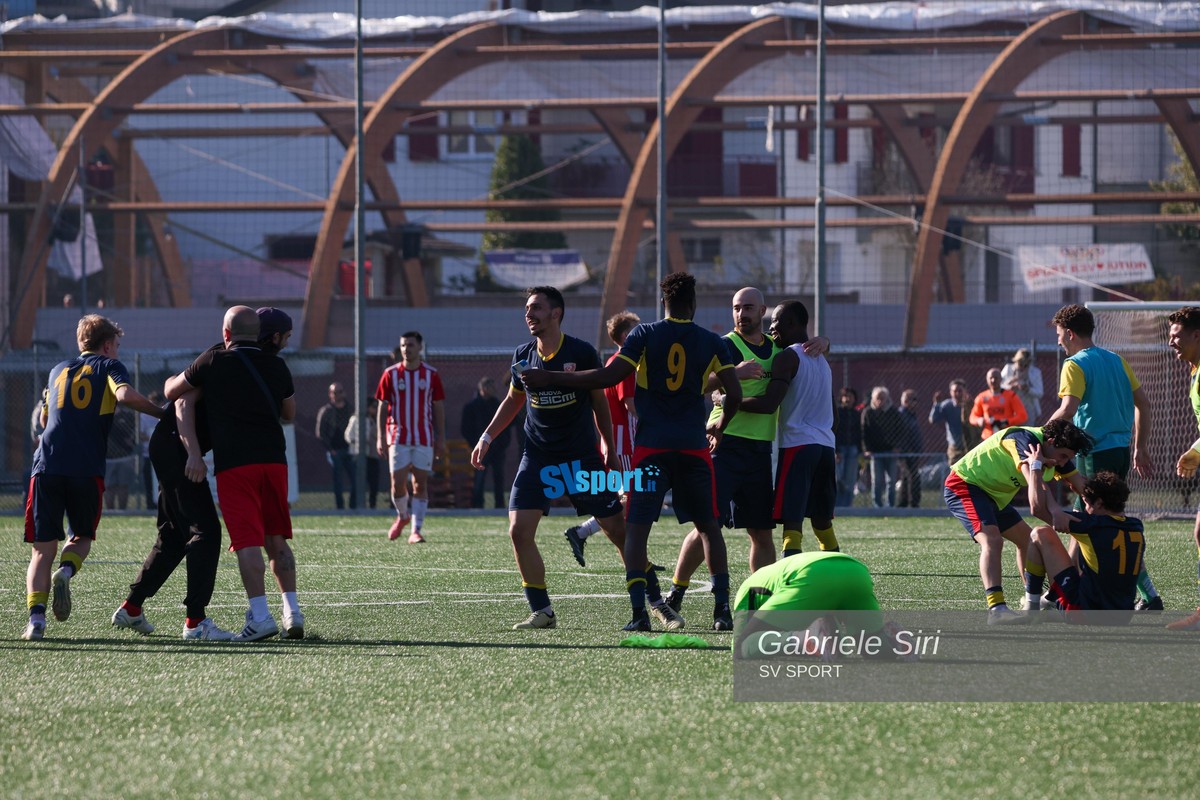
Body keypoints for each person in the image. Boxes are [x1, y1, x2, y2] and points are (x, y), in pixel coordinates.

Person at [521, 273, 742, 631]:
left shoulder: (644, 334)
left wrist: (552, 377)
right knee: (708, 527)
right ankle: (722, 613)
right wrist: (720, 425)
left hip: (652, 448)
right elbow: (735, 393)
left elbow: (607, 378)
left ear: (663, 302)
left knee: (637, 530)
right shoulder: (712, 341)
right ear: (694, 303)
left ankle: (640, 614)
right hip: (692, 447)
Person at [471, 286, 664, 631]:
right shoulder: (523, 355)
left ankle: (656, 601)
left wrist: (608, 447)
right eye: (527, 308)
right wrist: (487, 436)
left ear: (556, 313)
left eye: (536, 308)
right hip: (538, 456)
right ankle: (542, 611)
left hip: (580, 458)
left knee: (618, 531)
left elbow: (599, 403)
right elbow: (514, 400)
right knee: (518, 531)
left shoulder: (582, 352)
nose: (529, 314)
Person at [165, 305, 304, 642]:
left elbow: (172, 392)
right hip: (274, 460)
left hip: (235, 464)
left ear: (226, 333)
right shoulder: (277, 365)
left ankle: (261, 616)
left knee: (247, 541)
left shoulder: (214, 360)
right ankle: (293, 612)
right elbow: (289, 413)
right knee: (277, 539)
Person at [22, 314, 163, 641]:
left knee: (41, 551)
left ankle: (36, 621)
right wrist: (162, 413)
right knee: (81, 536)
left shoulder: (58, 369)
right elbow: (124, 395)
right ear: (107, 345)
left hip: (46, 466)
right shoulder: (110, 366)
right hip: (85, 468)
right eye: (117, 345)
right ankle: (66, 570)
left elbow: (43, 419)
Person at [1049, 303, 1160, 610]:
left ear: (1070, 334)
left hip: (1094, 454)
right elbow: (1144, 404)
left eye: (1059, 335)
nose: (1058, 341)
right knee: (1091, 523)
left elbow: (1068, 410)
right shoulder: (1116, 360)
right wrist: (1140, 447)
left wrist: (1040, 435)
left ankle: (1144, 595)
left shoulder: (1075, 364)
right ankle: (1147, 596)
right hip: (1121, 452)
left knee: (1091, 524)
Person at [943, 418, 1090, 624]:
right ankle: (997, 609)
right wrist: (1056, 511)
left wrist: (1108, 512)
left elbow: (1081, 485)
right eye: (1064, 456)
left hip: (995, 496)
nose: (1064, 462)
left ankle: (1032, 601)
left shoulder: (1055, 453)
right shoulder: (1025, 440)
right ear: (1051, 441)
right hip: (966, 484)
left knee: (1028, 541)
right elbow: (1036, 491)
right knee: (992, 540)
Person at [727, 299, 838, 562]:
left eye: (776, 322)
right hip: (826, 447)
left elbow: (768, 404)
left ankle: (789, 573)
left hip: (798, 446)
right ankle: (838, 568)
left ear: (791, 323)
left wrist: (729, 401)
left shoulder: (787, 357)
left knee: (792, 519)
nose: (772, 328)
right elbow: (835, 413)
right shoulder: (822, 360)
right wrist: (826, 341)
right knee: (822, 519)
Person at [561, 311, 640, 564]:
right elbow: (630, 404)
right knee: (632, 497)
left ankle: (637, 556)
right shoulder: (625, 364)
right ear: (626, 335)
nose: (642, 333)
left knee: (628, 498)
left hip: (619, 439)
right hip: (625, 440)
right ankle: (582, 532)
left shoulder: (615, 362)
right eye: (637, 329)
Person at [1023, 471, 1144, 625]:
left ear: (1099, 503)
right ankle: (1050, 602)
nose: (1085, 510)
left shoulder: (1092, 525)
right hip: (1123, 616)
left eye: (1087, 504)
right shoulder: (1136, 525)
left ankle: (1031, 608)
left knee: (1040, 533)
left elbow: (1038, 509)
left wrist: (1035, 471)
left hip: (1085, 613)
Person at [376, 331, 447, 543]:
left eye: (411, 345)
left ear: (420, 347)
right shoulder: (390, 374)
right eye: (403, 345)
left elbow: (438, 406)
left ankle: (416, 530)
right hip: (398, 437)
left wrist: (441, 437)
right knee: (397, 484)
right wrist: (380, 437)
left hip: (423, 437)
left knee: (420, 484)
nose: (406, 349)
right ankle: (403, 516)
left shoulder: (431, 375)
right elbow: (382, 406)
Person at [1166, 307, 1200, 629]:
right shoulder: (1195, 370)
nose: (1171, 341)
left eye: (1176, 335)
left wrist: (1197, 450)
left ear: (1197, 335)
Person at [461, 376, 508, 509]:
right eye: (491, 386)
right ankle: (477, 505)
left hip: (497, 449)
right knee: (479, 478)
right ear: (484, 388)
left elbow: (507, 427)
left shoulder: (498, 405)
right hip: (480, 449)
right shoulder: (471, 407)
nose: (494, 389)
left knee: (499, 477)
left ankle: (500, 505)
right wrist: (474, 444)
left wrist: (502, 444)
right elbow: (466, 429)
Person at [315, 382, 356, 510]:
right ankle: (340, 508)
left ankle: (354, 507)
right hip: (334, 451)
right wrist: (330, 449)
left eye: (340, 391)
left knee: (355, 479)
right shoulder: (326, 411)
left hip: (350, 450)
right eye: (335, 392)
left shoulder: (351, 409)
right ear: (330, 394)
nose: (338, 394)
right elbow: (320, 433)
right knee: (338, 480)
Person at [861, 386, 901, 508]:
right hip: (875, 453)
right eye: (877, 398)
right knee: (877, 481)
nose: (880, 400)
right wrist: (867, 449)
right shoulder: (868, 412)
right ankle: (877, 506)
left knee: (891, 481)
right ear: (873, 398)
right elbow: (864, 432)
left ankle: (890, 505)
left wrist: (897, 446)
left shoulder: (893, 412)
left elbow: (900, 430)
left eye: (882, 398)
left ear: (887, 398)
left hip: (890, 451)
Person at [970, 367, 1028, 440]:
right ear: (987, 380)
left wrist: (1006, 422)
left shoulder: (1011, 395)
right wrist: (979, 420)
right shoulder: (981, 397)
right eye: (991, 378)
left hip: (1006, 436)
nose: (993, 380)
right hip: (987, 437)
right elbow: (972, 417)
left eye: (996, 378)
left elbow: (1023, 416)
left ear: (1001, 379)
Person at [345, 399, 381, 509]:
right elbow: (348, 436)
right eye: (373, 407)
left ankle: (372, 506)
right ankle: (353, 506)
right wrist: (360, 441)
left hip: (372, 456)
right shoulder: (356, 419)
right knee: (357, 482)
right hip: (359, 455)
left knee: (374, 483)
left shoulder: (375, 420)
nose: (375, 409)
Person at [929, 379, 974, 465]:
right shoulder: (947, 406)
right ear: (950, 392)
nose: (957, 394)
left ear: (965, 391)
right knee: (955, 469)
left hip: (971, 445)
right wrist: (937, 404)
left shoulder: (971, 404)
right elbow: (933, 420)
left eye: (960, 391)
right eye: (955, 391)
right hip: (955, 446)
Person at [103, 405, 138, 510]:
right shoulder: (102, 414)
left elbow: (134, 433)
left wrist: (131, 440)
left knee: (123, 486)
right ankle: (111, 512)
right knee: (108, 486)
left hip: (125, 457)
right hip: (107, 458)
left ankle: (122, 511)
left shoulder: (127, 415)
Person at [895, 388, 923, 508]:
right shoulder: (901, 414)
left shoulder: (912, 415)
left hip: (913, 451)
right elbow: (901, 434)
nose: (914, 402)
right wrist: (904, 449)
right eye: (912, 399)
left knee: (906, 476)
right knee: (912, 476)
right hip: (905, 451)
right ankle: (913, 503)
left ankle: (903, 502)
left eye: (915, 399)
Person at [834, 387, 861, 506]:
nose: (848, 399)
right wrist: (836, 450)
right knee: (838, 479)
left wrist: (860, 449)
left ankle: (847, 506)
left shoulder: (856, 414)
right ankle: (837, 506)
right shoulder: (837, 412)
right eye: (846, 396)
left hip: (853, 449)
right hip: (839, 450)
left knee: (850, 480)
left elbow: (859, 433)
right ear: (841, 398)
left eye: (850, 396)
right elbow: (833, 431)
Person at [1001, 348, 1044, 421]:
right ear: (1016, 361)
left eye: (1026, 365)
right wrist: (1010, 387)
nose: (1023, 367)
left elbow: (1040, 393)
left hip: (1028, 408)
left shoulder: (1035, 372)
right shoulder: (1008, 369)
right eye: (1020, 364)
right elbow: (999, 387)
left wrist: (1028, 389)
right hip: (1010, 407)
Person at [139, 391, 163, 510]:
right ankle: (150, 506)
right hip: (147, 455)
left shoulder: (164, 413)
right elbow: (140, 434)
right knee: (149, 481)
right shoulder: (143, 416)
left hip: (162, 455)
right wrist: (153, 438)